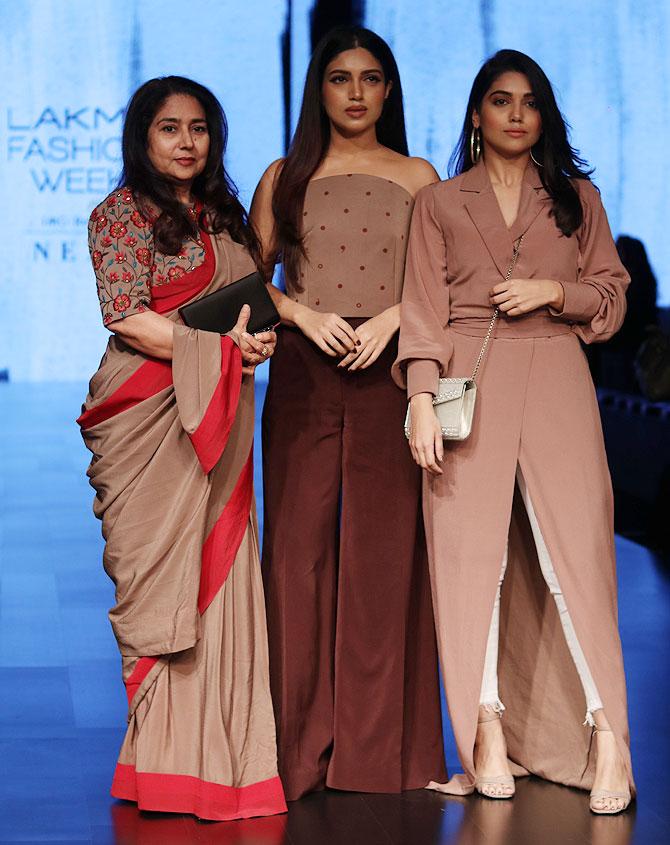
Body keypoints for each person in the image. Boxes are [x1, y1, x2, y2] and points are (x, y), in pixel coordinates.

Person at [394, 49, 635, 814]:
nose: (516, 113)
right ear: (476, 113)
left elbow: (611, 294)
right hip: (472, 376)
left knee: (580, 562)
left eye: (530, 101)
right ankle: (485, 728)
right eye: (500, 100)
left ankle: (608, 739)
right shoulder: (437, 202)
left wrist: (554, 291)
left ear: (544, 114)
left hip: (559, 374)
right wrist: (422, 398)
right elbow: (422, 308)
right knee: (475, 561)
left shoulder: (576, 197)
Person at [77, 76, 286, 822]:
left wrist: (251, 341)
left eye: (199, 128)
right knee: (151, 583)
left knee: (221, 580)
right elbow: (128, 318)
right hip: (145, 416)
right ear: (143, 136)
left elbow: (249, 298)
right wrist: (221, 344)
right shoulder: (118, 216)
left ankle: (225, 766)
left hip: (218, 410)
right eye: (170, 128)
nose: (186, 142)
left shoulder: (224, 215)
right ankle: (158, 761)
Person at [250, 25, 447, 800]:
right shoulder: (284, 175)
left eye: (371, 77)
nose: (356, 92)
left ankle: (374, 756)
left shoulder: (419, 174)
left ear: (390, 89)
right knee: (296, 561)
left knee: (382, 562)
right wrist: (301, 316)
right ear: (319, 89)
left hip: (390, 376)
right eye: (340, 77)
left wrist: (397, 316)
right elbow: (250, 280)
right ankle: (294, 751)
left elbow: (442, 282)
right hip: (304, 374)